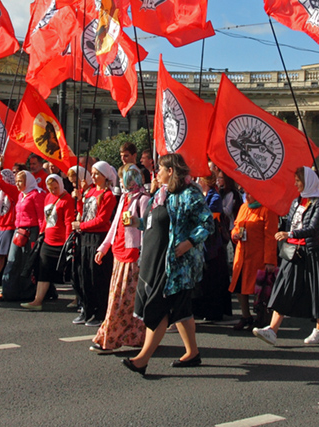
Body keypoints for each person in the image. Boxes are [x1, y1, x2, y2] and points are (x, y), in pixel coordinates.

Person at [124, 154, 214, 375]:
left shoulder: (190, 193)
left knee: (161, 308)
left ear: (171, 171)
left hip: (180, 265)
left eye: (161, 170)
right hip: (163, 260)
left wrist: (189, 243)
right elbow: (155, 222)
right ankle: (192, 353)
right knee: (181, 310)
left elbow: (207, 223)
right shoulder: (162, 194)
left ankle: (142, 359)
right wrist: (137, 222)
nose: (157, 174)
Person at [253, 167, 319, 346]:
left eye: (298, 180)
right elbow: (289, 221)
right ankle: (272, 329)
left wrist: (290, 234)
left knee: (316, 291)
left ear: (307, 181)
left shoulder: (318, 203)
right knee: (283, 288)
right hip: (292, 253)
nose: (295, 184)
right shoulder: (297, 201)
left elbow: (313, 228)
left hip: (309, 252)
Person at [91, 164, 150, 352]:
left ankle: (108, 338)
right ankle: (134, 337)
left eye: (128, 177)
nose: (125, 181)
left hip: (133, 255)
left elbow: (148, 227)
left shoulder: (144, 199)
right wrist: (103, 248)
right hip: (119, 254)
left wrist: (136, 223)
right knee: (122, 299)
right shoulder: (125, 198)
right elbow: (115, 225)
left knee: (122, 300)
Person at [21, 174, 75, 311]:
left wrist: (69, 240)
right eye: (51, 188)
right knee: (43, 270)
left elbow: (69, 221)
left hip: (61, 242)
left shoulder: (67, 199)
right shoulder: (48, 197)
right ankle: (37, 301)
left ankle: (78, 297)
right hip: (48, 240)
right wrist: (42, 231)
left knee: (69, 272)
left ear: (61, 185)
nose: (53, 191)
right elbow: (46, 218)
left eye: (55, 188)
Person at [72, 161, 116, 326]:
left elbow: (102, 219)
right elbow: (83, 212)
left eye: (97, 173)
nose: (94, 176)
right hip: (85, 237)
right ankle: (86, 308)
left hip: (98, 237)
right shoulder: (89, 192)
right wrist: (79, 199)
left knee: (97, 276)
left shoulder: (108, 195)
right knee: (83, 275)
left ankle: (101, 311)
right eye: (93, 173)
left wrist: (81, 226)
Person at [229, 190, 278, 329]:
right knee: (239, 287)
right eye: (246, 193)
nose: (247, 196)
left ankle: (260, 318)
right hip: (241, 255)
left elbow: (271, 237)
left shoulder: (268, 210)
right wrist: (234, 235)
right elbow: (236, 226)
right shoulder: (244, 207)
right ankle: (246, 316)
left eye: (251, 193)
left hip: (257, 257)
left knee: (259, 290)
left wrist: (270, 261)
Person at [0, 170, 46, 302]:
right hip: (19, 231)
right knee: (13, 260)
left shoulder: (36, 194)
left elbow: (41, 216)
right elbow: (2, 184)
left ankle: (28, 292)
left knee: (28, 262)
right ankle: (8, 291)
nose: (18, 184)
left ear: (27, 181)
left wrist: (41, 233)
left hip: (32, 231)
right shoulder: (21, 195)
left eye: (20, 181)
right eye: (16, 181)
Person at [193, 172, 232, 322]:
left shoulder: (215, 197)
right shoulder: (199, 194)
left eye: (200, 178)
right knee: (202, 278)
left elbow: (211, 216)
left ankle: (215, 311)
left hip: (212, 243)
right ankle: (201, 309)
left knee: (213, 277)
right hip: (201, 241)